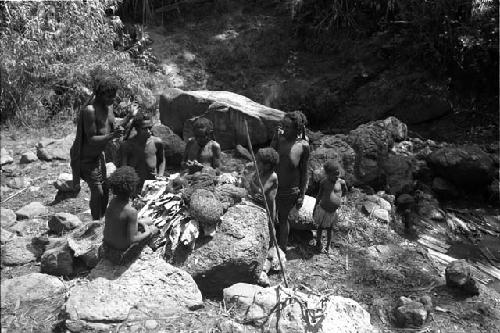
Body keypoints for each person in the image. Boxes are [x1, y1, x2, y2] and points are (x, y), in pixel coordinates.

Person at [70, 76, 135, 220]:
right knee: (97, 191)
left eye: (114, 95)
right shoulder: (90, 111)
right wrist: (112, 136)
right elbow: (92, 139)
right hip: (85, 158)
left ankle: (102, 217)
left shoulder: (109, 108)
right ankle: (95, 222)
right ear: (100, 94)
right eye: (109, 96)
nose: (113, 99)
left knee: (105, 190)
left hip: (99, 156)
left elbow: (114, 128)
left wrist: (129, 117)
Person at [100, 166, 157, 264]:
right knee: (153, 229)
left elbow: (119, 221)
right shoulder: (131, 212)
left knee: (147, 220)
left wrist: (141, 223)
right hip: (120, 255)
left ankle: (146, 228)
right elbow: (133, 239)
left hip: (106, 246)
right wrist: (148, 231)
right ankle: (153, 251)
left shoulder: (113, 202)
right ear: (133, 188)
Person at [271, 111, 310, 253]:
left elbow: (304, 172)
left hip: (290, 191)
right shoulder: (279, 139)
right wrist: (275, 138)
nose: (284, 130)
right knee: (270, 215)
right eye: (283, 126)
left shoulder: (303, 146)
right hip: (273, 186)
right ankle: (269, 244)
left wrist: (302, 195)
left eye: (288, 127)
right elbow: (269, 156)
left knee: (283, 219)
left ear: (297, 130)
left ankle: (282, 248)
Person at [120, 113, 166, 192]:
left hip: (152, 186)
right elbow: (124, 167)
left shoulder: (157, 142)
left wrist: (160, 175)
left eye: (150, 127)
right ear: (137, 128)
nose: (148, 131)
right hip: (135, 187)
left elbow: (162, 160)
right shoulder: (128, 145)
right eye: (144, 128)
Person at [313, 161, 347, 253]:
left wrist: (341, 194)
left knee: (330, 229)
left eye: (338, 174)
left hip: (332, 212)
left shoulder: (341, 183)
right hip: (323, 209)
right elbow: (319, 195)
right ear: (328, 174)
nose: (337, 176)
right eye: (334, 174)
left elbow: (344, 193)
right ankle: (318, 243)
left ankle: (328, 246)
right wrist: (315, 207)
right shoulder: (324, 182)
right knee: (320, 227)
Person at [247, 147, 279, 225]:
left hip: (269, 208)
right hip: (260, 203)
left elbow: (261, 191)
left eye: (258, 162)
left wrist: (251, 183)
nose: (256, 163)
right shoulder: (261, 171)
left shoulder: (272, 176)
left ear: (267, 165)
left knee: (270, 227)